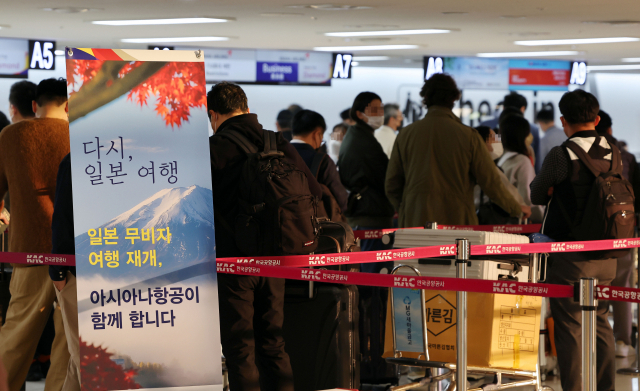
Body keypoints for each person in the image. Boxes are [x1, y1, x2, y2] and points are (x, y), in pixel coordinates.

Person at [208, 82, 321, 391]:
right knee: (272, 341)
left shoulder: (213, 149)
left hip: (233, 262)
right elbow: (313, 190)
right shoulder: (276, 141)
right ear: (245, 106)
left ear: (213, 114)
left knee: (240, 347)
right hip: (275, 259)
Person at [530, 90, 616, 391]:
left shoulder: (561, 154)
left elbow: (537, 193)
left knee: (570, 327)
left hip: (569, 255)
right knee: (602, 322)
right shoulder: (615, 152)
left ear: (563, 121)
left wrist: (555, 190)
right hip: (608, 254)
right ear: (596, 119)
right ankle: (606, 387)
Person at [385, 74, 530, 227]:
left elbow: (392, 185)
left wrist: (408, 208)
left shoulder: (405, 135)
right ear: (453, 99)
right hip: (457, 223)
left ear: (425, 98)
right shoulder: (469, 137)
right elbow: (491, 182)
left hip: (415, 223)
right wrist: (516, 208)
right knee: (456, 252)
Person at [0, 78, 70, 391]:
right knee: (70, 339)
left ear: (33, 105)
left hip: (29, 249)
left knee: (17, 333)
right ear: (69, 105)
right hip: (77, 250)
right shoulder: (81, 137)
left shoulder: (10, 135)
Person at [596, 110, 640, 357]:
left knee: (596, 286)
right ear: (610, 130)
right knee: (623, 287)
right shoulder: (629, 158)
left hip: (595, 235)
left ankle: (599, 340)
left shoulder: (588, 157)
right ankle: (623, 342)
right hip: (626, 231)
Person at [338, 92, 394, 271]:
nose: (380, 114)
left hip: (364, 211)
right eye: (374, 110)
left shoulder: (358, 136)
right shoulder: (363, 142)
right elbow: (384, 176)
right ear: (360, 113)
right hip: (370, 214)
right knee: (374, 273)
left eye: (381, 109)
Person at [49, 154, 80, 391]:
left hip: (78, 272)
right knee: (82, 357)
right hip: (76, 274)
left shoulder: (76, 158)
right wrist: (59, 273)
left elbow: (61, 217)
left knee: (79, 358)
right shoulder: (75, 160)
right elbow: (61, 218)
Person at [291, 109, 348, 214]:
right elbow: (342, 200)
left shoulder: (275, 156)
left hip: (280, 224)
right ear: (316, 134)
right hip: (312, 225)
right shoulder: (322, 161)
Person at [497, 115, 544, 223]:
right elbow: (529, 199)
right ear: (522, 135)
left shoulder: (502, 159)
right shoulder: (522, 161)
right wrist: (542, 218)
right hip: (520, 223)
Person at [473, 126, 524, 212]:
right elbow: (504, 193)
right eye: (494, 138)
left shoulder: (474, 165)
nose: (498, 141)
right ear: (482, 142)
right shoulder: (489, 169)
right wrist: (518, 208)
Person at [502, 92, 541, 173]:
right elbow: (537, 163)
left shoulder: (493, 129)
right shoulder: (531, 130)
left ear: (503, 108)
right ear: (522, 109)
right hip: (525, 174)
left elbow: (492, 153)